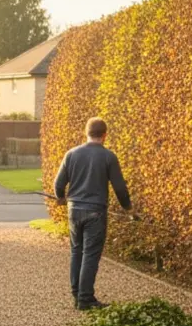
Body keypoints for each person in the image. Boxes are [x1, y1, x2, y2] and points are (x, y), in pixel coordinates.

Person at [53, 117, 132, 309]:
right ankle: (85, 299)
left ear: (86, 133)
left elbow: (58, 184)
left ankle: (77, 294)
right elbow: (120, 188)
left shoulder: (71, 154)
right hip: (95, 212)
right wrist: (128, 208)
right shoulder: (108, 157)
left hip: (74, 210)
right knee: (90, 254)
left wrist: (61, 198)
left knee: (76, 251)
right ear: (105, 135)